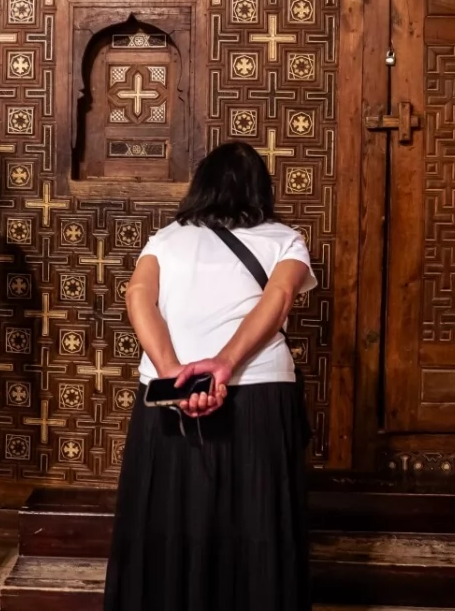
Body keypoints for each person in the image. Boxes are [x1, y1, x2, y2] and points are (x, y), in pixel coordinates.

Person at [104, 141, 318, 611]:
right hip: (258, 390)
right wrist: (225, 364)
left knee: (167, 516)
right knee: (257, 521)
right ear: (261, 189)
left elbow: (138, 296)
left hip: (169, 393)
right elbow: (278, 300)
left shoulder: (164, 239)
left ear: (199, 187)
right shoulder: (285, 238)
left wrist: (172, 372)